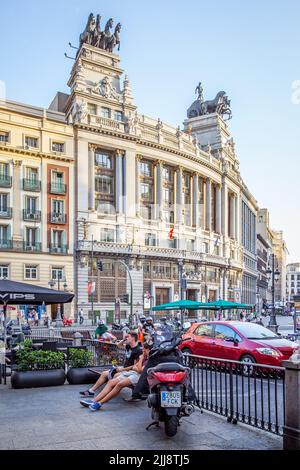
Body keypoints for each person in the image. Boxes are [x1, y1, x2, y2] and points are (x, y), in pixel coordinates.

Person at [80, 342, 151, 411]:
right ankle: (93, 400)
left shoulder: (149, 358)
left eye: (144, 349)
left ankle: (99, 403)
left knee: (119, 384)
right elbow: (135, 367)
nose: (143, 350)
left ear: (148, 349)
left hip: (140, 377)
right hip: (133, 373)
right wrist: (136, 366)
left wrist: (140, 360)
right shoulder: (144, 356)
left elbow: (140, 370)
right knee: (111, 382)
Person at [79, 331, 142, 397]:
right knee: (104, 374)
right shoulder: (129, 346)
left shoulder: (138, 350)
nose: (126, 338)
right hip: (123, 368)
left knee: (115, 376)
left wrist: (122, 369)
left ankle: (106, 395)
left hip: (129, 371)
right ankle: (91, 391)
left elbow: (135, 366)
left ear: (133, 338)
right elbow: (118, 345)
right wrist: (124, 339)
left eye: (128, 337)